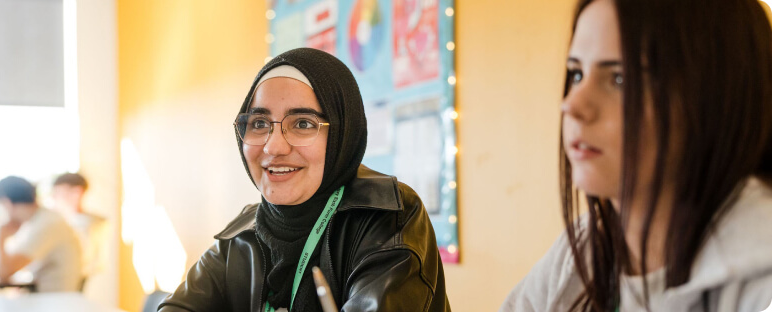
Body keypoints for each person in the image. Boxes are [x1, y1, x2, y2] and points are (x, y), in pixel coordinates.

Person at [501, 0, 772, 311]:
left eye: (618, 79)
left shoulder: (760, 276)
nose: (572, 105)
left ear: (713, 96)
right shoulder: (581, 251)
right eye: (576, 74)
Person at [159, 48, 451, 312]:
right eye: (260, 123)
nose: (274, 147)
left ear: (341, 135)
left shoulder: (389, 217)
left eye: (302, 124)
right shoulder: (241, 237)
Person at [0, 176, 83, 292]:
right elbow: (2, 266)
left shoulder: (47, 224)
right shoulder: (37, 221)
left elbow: (4, 273)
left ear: (7, 203)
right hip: (44, 298)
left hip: (54, 301)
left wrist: (1, 235)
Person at [51, 173, 108, 283]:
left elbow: (79, 260)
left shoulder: (89, 225)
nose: (54, 198)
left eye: (58, 193)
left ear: (77, 192)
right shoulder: (66, 222)